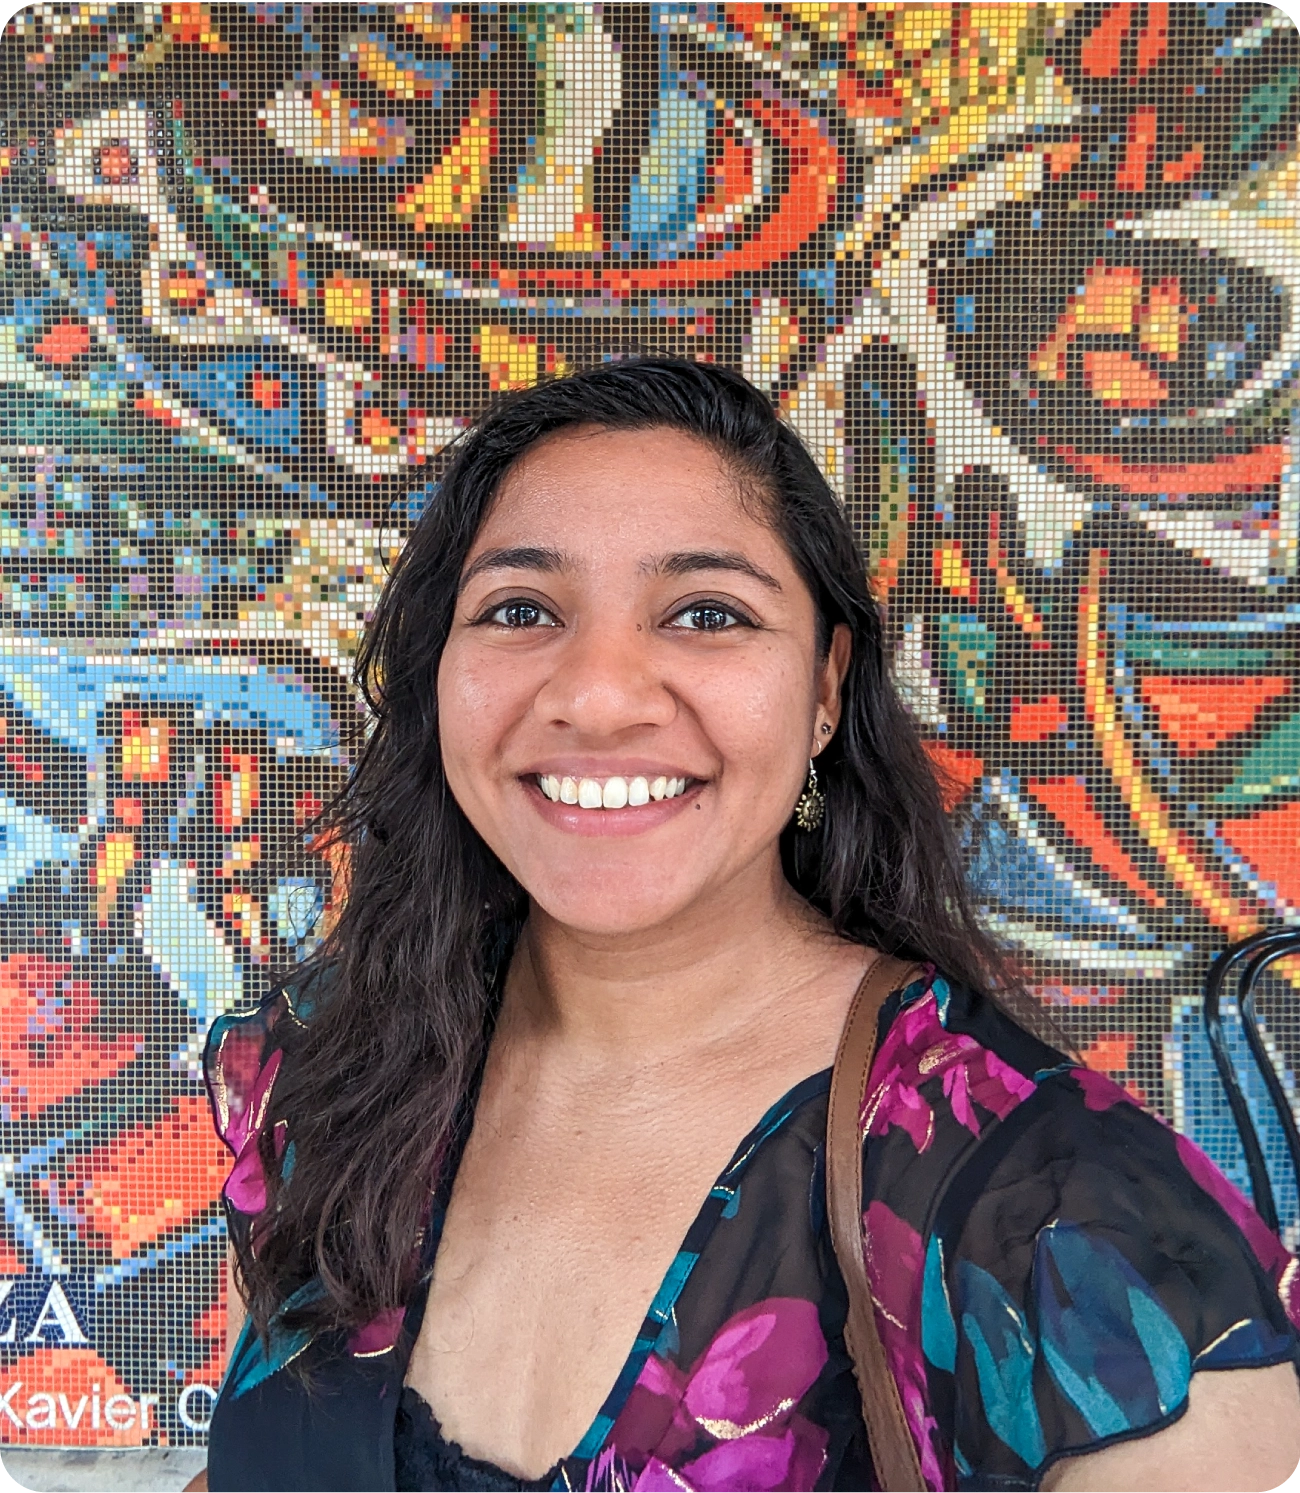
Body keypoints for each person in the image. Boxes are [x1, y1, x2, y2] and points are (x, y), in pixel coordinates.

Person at [189, 359, 1300, 1493]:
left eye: (706, 613)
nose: (598, 694)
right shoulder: (312, 1076)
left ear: (824, 687)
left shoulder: (1068, 1234)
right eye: (521, 610)